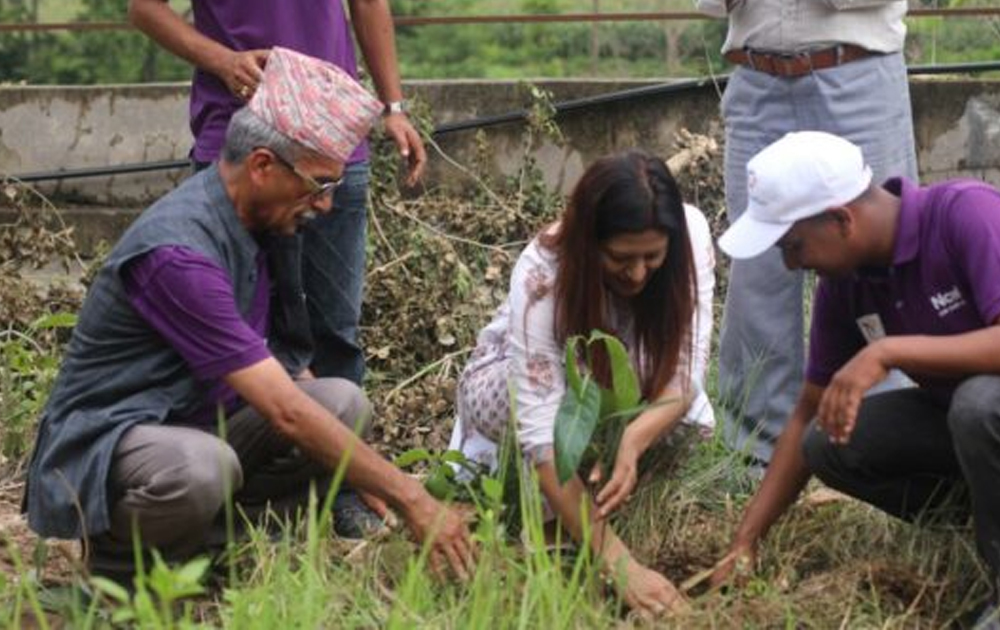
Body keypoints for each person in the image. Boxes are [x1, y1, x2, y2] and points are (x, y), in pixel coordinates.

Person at [22, 48, 473, 583]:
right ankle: (118, 572)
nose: (326, 204)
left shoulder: (266, 221)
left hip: (192, 421)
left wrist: (358, 465)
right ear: (262, 165)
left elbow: (286, 365)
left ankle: (211, 552)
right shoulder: (179, 253)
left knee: (340, 404)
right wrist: (411, 496)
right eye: (321, 183)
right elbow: (283, 410)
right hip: (112, 444)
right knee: (204, 468)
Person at [707, 132, 1000, 620]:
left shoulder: (966, 212)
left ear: (841, 220)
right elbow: (809, 407)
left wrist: (887, 351)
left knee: (984, 404)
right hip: (999, 416)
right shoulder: (846, 284)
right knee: (827, 439)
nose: (791, 263)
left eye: (794, 245)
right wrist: (746, 542)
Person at [448, 151, 716, 616]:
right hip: (509, 388)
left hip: (619, 383)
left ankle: (596, 501)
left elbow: (684, 375)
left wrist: (634, 439)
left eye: (652, 258)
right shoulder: (542, 274)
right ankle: (543, 515)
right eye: (620, 258)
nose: (637, 274)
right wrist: (621, 564)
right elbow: (541, 436)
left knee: (687, 420)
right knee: (559, 413)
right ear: (589, 242)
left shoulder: (691, 237)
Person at [129, 0, 427, 386]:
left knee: (335, 332)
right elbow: (144, 9)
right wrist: (223, 61)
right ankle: (240, 441)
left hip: (333, 143)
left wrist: (394, 107)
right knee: (236, 324)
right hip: (240, 140)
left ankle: (338, 441)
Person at [694, 0, 918, 467]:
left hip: (858, 70)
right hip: (756, 77)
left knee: (881, 258)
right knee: (759, 266)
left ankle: (891, 448)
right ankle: (755, 454)